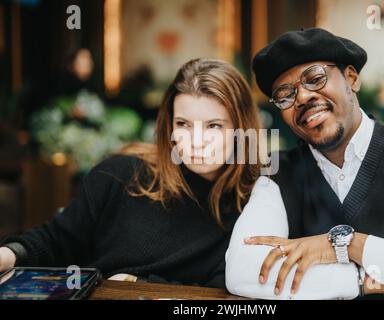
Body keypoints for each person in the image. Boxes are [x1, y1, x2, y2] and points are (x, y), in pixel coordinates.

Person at [226, 28, 384, 299]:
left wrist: (347, 246)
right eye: (285, 95)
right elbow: (244, 271)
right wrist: (362, 281)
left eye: (315, 78)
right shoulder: (276, 175)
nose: (302, 98)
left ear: (351, 79)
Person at [0, 58, 262, 288]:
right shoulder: (118, 175)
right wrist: (8, 255)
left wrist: (134, 285)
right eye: (183, 124)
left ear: (241, 128)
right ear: (169, 126)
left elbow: (223, 295)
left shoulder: (254, 204)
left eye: (213, 126)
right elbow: (58, 240)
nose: (196, 140)